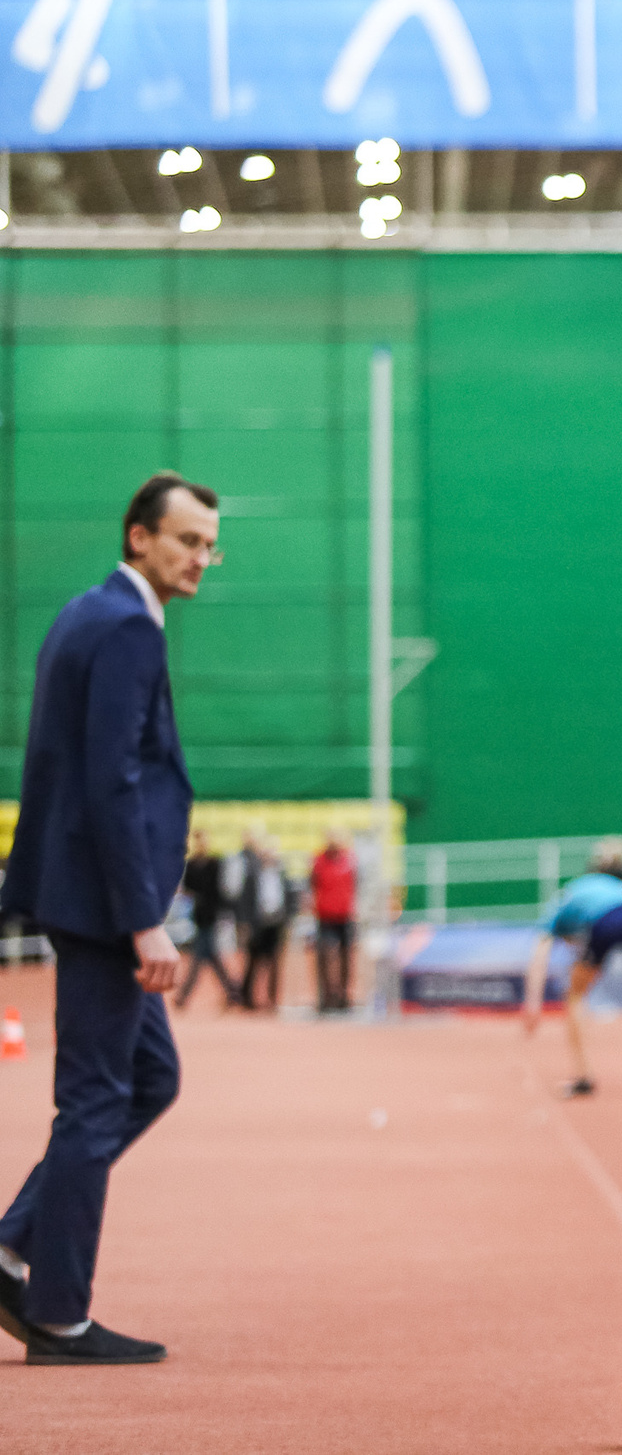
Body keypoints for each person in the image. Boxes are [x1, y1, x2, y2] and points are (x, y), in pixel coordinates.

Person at [0, 471, 220, 1364]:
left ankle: (16, 1238)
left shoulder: (86, 612)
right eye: (185, 540)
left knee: (150, 1077)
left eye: (209, 544)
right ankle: (58, 1314)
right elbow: (110, 779)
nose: (201, 557)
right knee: (94, 1100)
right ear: (140, 537)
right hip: (100, 902)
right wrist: (143, 918)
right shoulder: (125, 625)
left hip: (78, 887)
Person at [521, 840, 622, 1097]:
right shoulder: (618, 886)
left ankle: (584, 1076)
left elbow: (540, 957)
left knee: (575, 994)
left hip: (606, 921)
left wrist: (532, 1003)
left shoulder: (559, 906)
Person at [173, 828, 238, 1012]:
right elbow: (188, 888)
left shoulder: (214, 863)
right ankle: (233, 993)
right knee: (212, 958)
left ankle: (183, 996)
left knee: (199, 958)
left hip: (210, 917)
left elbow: (219, 891)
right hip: (199, 917)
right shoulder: (192, 864)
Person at [233, 831, 294, 1013]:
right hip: (257, 924)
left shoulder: (283, 875)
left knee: (275, 963)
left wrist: (288, 919)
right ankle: (247, 999)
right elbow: (244, 900)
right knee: (253, 962)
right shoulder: (253, 875)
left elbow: (291, 899)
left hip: (276, 923)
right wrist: (244, 923)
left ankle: (272, 999)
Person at [308, 829, 358, 1013]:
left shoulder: (350, 860)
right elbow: (312, 884)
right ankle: (325, 997)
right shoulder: (319, 861)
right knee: (325, 956)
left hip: (345, 915)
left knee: (346, 957)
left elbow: (356, 884)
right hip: (325, 915)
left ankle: (343, 996)